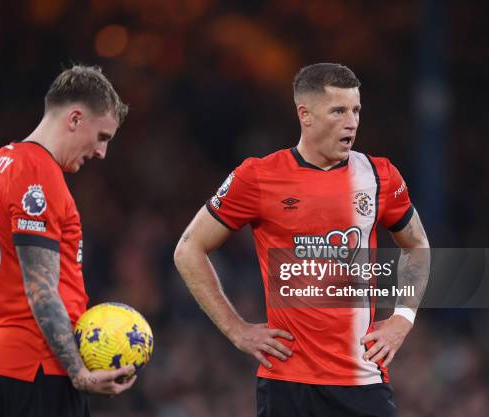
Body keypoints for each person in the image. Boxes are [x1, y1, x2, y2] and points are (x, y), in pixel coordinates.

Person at [174, 63, 430, 417]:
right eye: (338, 110)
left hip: (361, 380)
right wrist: (237, 330)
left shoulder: (379, 175)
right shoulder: (258, 177)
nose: (351, 121)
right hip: (287, 384)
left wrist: (403, 318)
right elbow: (189, 249)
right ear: (305, 115)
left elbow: (417, 245)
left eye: (356, 110)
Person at [0, 65, 135, 417]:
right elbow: (40, 289)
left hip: (12, 360)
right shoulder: (37, 172)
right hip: (38, 365)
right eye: (103, 137)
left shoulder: (3, 161)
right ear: (75, 119)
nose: (101, 153)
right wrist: (78, 373)